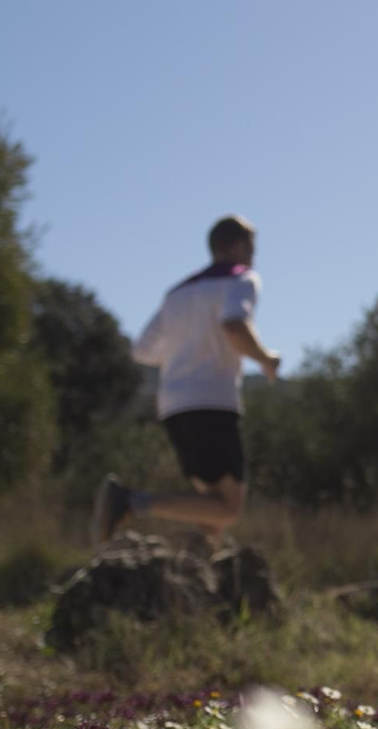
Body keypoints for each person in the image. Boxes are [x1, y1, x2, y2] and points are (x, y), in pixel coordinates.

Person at [92, 215, 281, 548]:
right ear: (235, 245)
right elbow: (234, 326)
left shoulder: (178, 292)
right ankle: (131, 502)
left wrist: (185, 353)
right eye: (251, 246)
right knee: (228, 508)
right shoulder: (242, 279)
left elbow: (143, 349)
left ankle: (205, 573)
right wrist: (266, 359)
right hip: (212, 401)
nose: (254, 255)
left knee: (209, 504)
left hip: (173, 404)